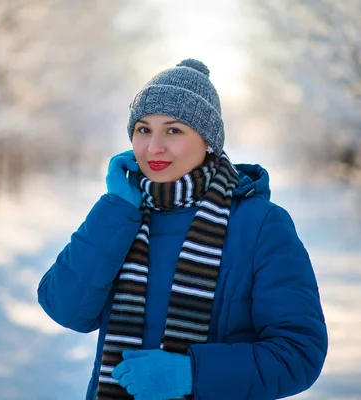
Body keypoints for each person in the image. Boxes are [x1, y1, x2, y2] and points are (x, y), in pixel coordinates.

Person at [37, 59, 328, 400]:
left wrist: (192, 374)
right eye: (143, 129)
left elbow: (298, 354)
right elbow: (66, 309)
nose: (154, 147)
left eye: (173, 130)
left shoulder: (261, 225)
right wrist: (116, 207)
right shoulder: (124, 216)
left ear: (208, 140)